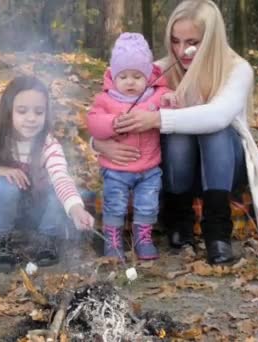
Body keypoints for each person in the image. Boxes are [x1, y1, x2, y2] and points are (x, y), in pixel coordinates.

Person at [92, 0, 258, 265]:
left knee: (214, 131)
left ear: (211, 40)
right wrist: (98, 144)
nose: (182, 51)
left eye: (192, 42)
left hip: (224, 169)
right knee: (178, 134)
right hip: (174, 170)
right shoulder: (157, 71)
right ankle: (179, 224)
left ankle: (217, 233)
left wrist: (156, 118)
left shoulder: (237, 69)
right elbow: (109, 113)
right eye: (175, 41)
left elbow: (218, 115)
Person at [0, 76, 94, 272]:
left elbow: (61, 177)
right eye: (22, 111)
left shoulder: (48, 145)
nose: (31, 118)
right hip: (6, 210)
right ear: (8, 111)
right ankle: (1, 241)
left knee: (61, 192)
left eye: (39, 112)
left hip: (37, 210)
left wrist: (76, 208)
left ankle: (47, 239)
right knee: (6, 184)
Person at [87, 33, 175, 261]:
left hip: (149, 168)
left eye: (137, 76)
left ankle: (142, 238)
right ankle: (112, 240)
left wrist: (170, 102)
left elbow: (171, 106)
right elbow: (93, 123)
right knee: (114, 204)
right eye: (123, 76)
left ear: (147, 76)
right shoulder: (105, 100)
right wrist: (112, 124)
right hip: (116, 169)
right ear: (113, 77)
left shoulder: (156, 96)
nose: (130, 82)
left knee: (147, 204)